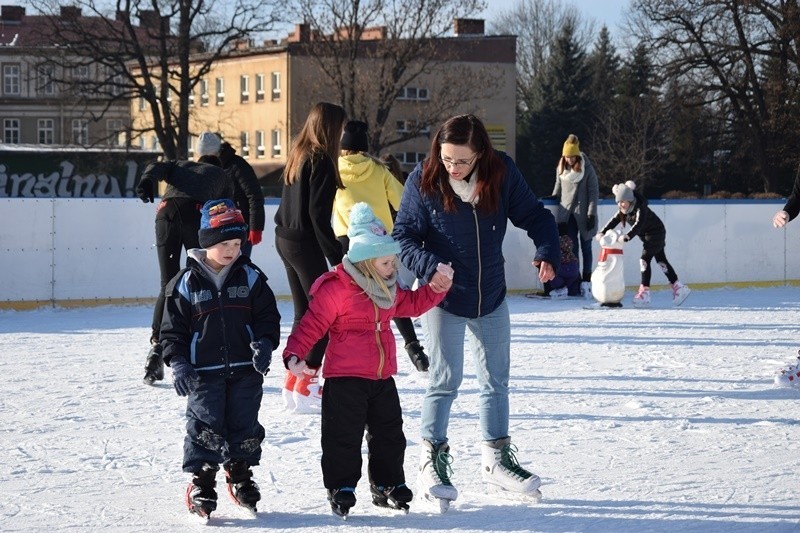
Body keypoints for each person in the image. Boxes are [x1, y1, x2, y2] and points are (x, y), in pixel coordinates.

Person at [392, 114, 560, 508]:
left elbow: (535, 215)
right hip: (444, 298)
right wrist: (430, 266)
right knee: (445, 379)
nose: (453, 167)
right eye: (447, 158)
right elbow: (403, 235)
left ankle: (497, 460)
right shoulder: (424, 179)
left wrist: (546, 251)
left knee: (496, 381)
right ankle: (431, 458)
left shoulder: (500, 173)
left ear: (480, 154)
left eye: (462, 161)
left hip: (491, 296)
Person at [281, 203, 452, 517]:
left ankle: (388, 484)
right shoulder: (338, 289)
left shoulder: (386, 289)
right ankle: (341, 486)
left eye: (393, 261)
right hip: (344, 379)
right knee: (342, 437)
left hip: (381, 378)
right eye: (387, 262)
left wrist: (437, 288)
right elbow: (312, 323)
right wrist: (295, 353)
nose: (393, 268)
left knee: (390, 435)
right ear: (366, 262)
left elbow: (413, 304)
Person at [159, 198, 281, 520]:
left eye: (237, 243)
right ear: (208, 243)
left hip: (246, 369)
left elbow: (269, 318)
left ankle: (239, 473)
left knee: (244, 423)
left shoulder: (251, 277)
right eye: (224, 243)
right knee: (205, 426)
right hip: (202, 374)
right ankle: (202, 481)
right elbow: (171, 331)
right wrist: (180, 362)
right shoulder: (185, 284)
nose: (231, 249)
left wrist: (265, 344)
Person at [136, 131, 234, 386]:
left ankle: (157, 347)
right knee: (198, 280)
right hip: (194, 214)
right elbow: (226, 214)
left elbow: (155, 167)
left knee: (167, 283)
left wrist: (146, 181)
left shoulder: (181, 164)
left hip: (165, 212)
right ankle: (197, 346)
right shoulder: (222, 175)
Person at [334, 120, 430, 372]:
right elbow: (402, 200)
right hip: (380, 239)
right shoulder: (378, 170)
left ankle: (355, 350)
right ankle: (412, 345)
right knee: (390, 292)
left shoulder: (334, 170)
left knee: (350, 297)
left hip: (348, 241)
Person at [274, 102, 347, 413]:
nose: (343, 135)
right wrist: (336, 257)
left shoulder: (299, 152)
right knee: (324, 317)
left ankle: (293, 380)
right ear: (331, 128)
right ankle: (307, 384)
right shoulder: (320, 160)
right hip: (304, 244)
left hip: (285, 239)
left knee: (303, 314)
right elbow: (318, 216)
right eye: (341, 128)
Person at [596, 180, 691, 307]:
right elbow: (613, 221)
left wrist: (627, 236)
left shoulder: (640, 208)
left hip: (656, 233)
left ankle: (644, 293)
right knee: (661, 260)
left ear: (629, 199)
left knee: (644, 260)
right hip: (649, 236)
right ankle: (678, 287)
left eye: (622, 201)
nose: (620, 204)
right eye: (618, 202)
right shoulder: (623, 211)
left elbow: (638, 225)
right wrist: (602, 232)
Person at [551, 134, 599, 297]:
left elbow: (593, 192)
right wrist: (552, 198)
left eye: (572, 157)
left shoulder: (587, 169)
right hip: (566, 214)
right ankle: (575, 280)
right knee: (571, 248)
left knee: (586, 247)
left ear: (577, 156)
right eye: (567, 156)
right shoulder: (561, 167)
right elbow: (558, 186)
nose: (569, 159)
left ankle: (587, 280)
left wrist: (591, 214)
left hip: (584, 214)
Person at [219, 141, 265, 257]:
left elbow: (254, 195)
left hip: (240, 227)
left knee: (239, 266)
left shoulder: (237, 165)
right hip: (217, 228)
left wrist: (256, 226)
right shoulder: (207, 166)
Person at [548, 223, 581, 298]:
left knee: (552, 276)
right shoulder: (570, 240)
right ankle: (571, 291)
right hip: (573, 268)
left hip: (562, 267)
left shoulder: (556, 240)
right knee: (571, 282)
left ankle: (559, 289)